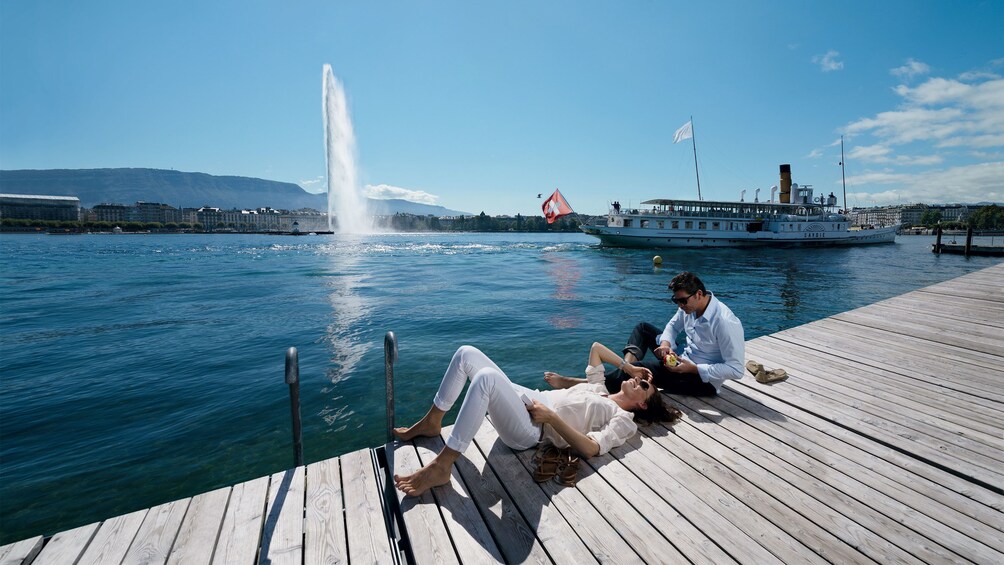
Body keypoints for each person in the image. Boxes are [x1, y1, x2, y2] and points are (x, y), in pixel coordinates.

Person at [393, 342, 679, 497]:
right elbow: (596, 348)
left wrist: (552, 418)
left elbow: (592, 448)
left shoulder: (623, 420)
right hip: (531, 399)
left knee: (486, 378)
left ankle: (441, 466)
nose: (638, 381)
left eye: (643, 386)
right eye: (641, 379)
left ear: (642, 404)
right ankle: (433, 420)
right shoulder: (600, 388)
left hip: (533, 428)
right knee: (466, 353)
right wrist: (630, 367)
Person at [546, 271, 745, 397]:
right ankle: (629, 370)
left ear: (699, 294)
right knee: (643, 328)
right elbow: (673, 327)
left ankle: (583, 382)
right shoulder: (689, 307)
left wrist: (693, 369)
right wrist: (666, 345)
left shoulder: (725, 322)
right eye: (676, 301)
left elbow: (736, 370)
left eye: (682, 301)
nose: (680, 306)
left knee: (642, 368)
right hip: (683, 360)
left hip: (702, 381)